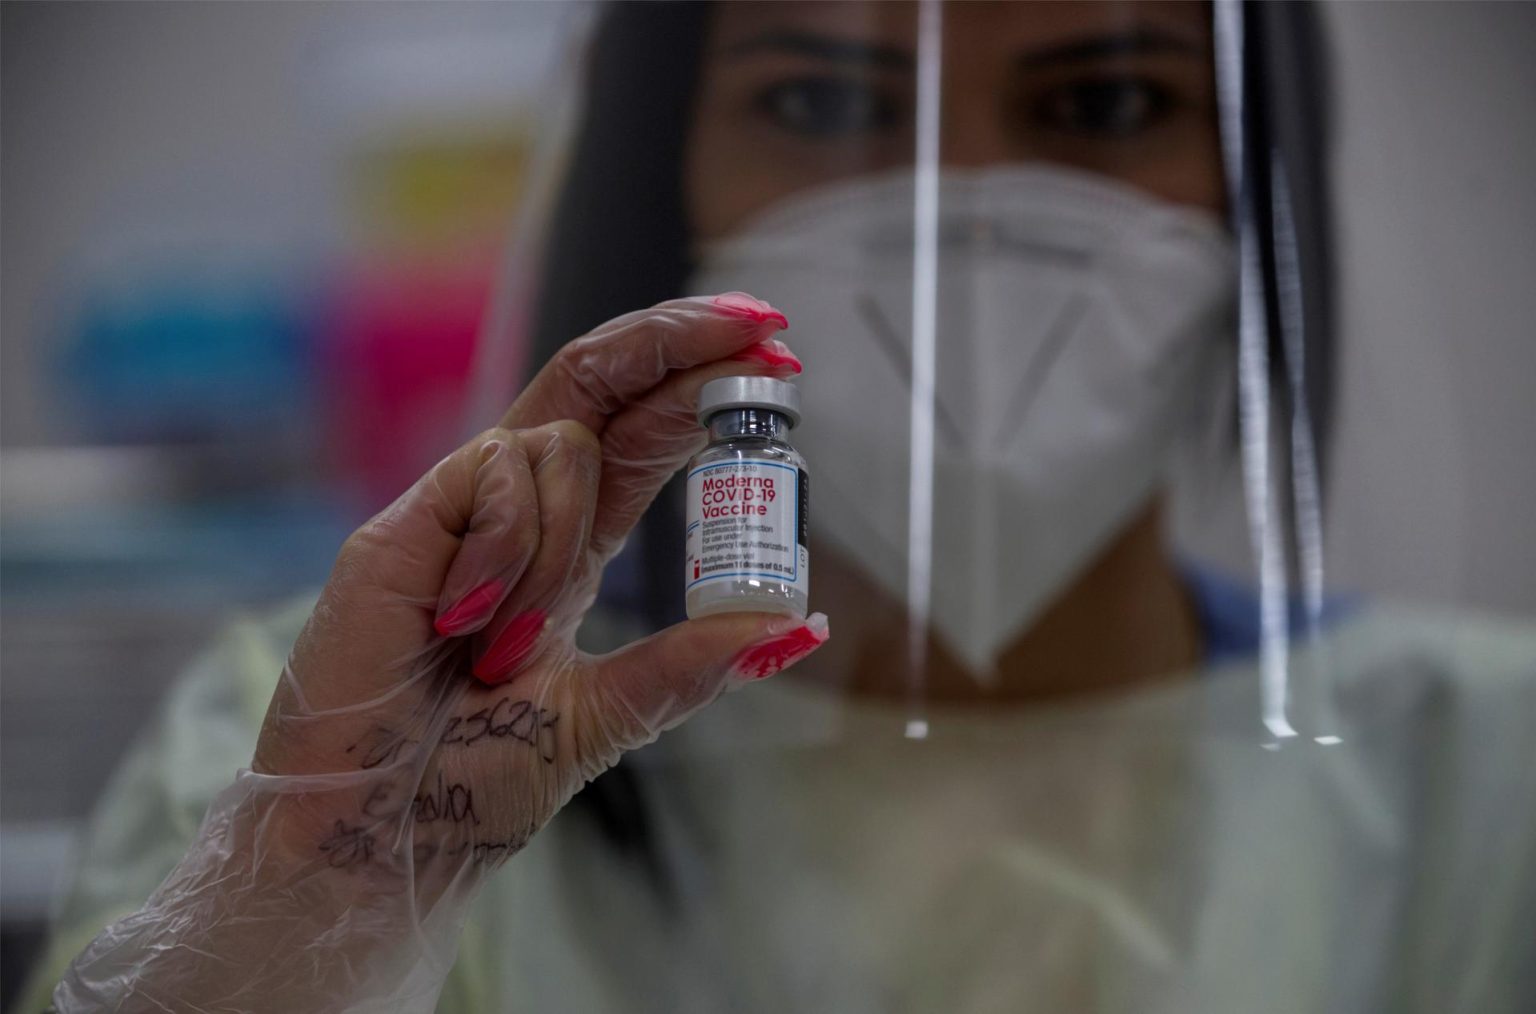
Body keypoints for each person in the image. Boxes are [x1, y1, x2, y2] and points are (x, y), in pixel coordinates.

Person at [26, 3, 1536, 1012]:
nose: (962, 205)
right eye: (820, 98)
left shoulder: (1489, 780)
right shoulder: (345, 740)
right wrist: (294, 916)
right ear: (660, 170)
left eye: (1109, 98)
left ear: (1255, 192)